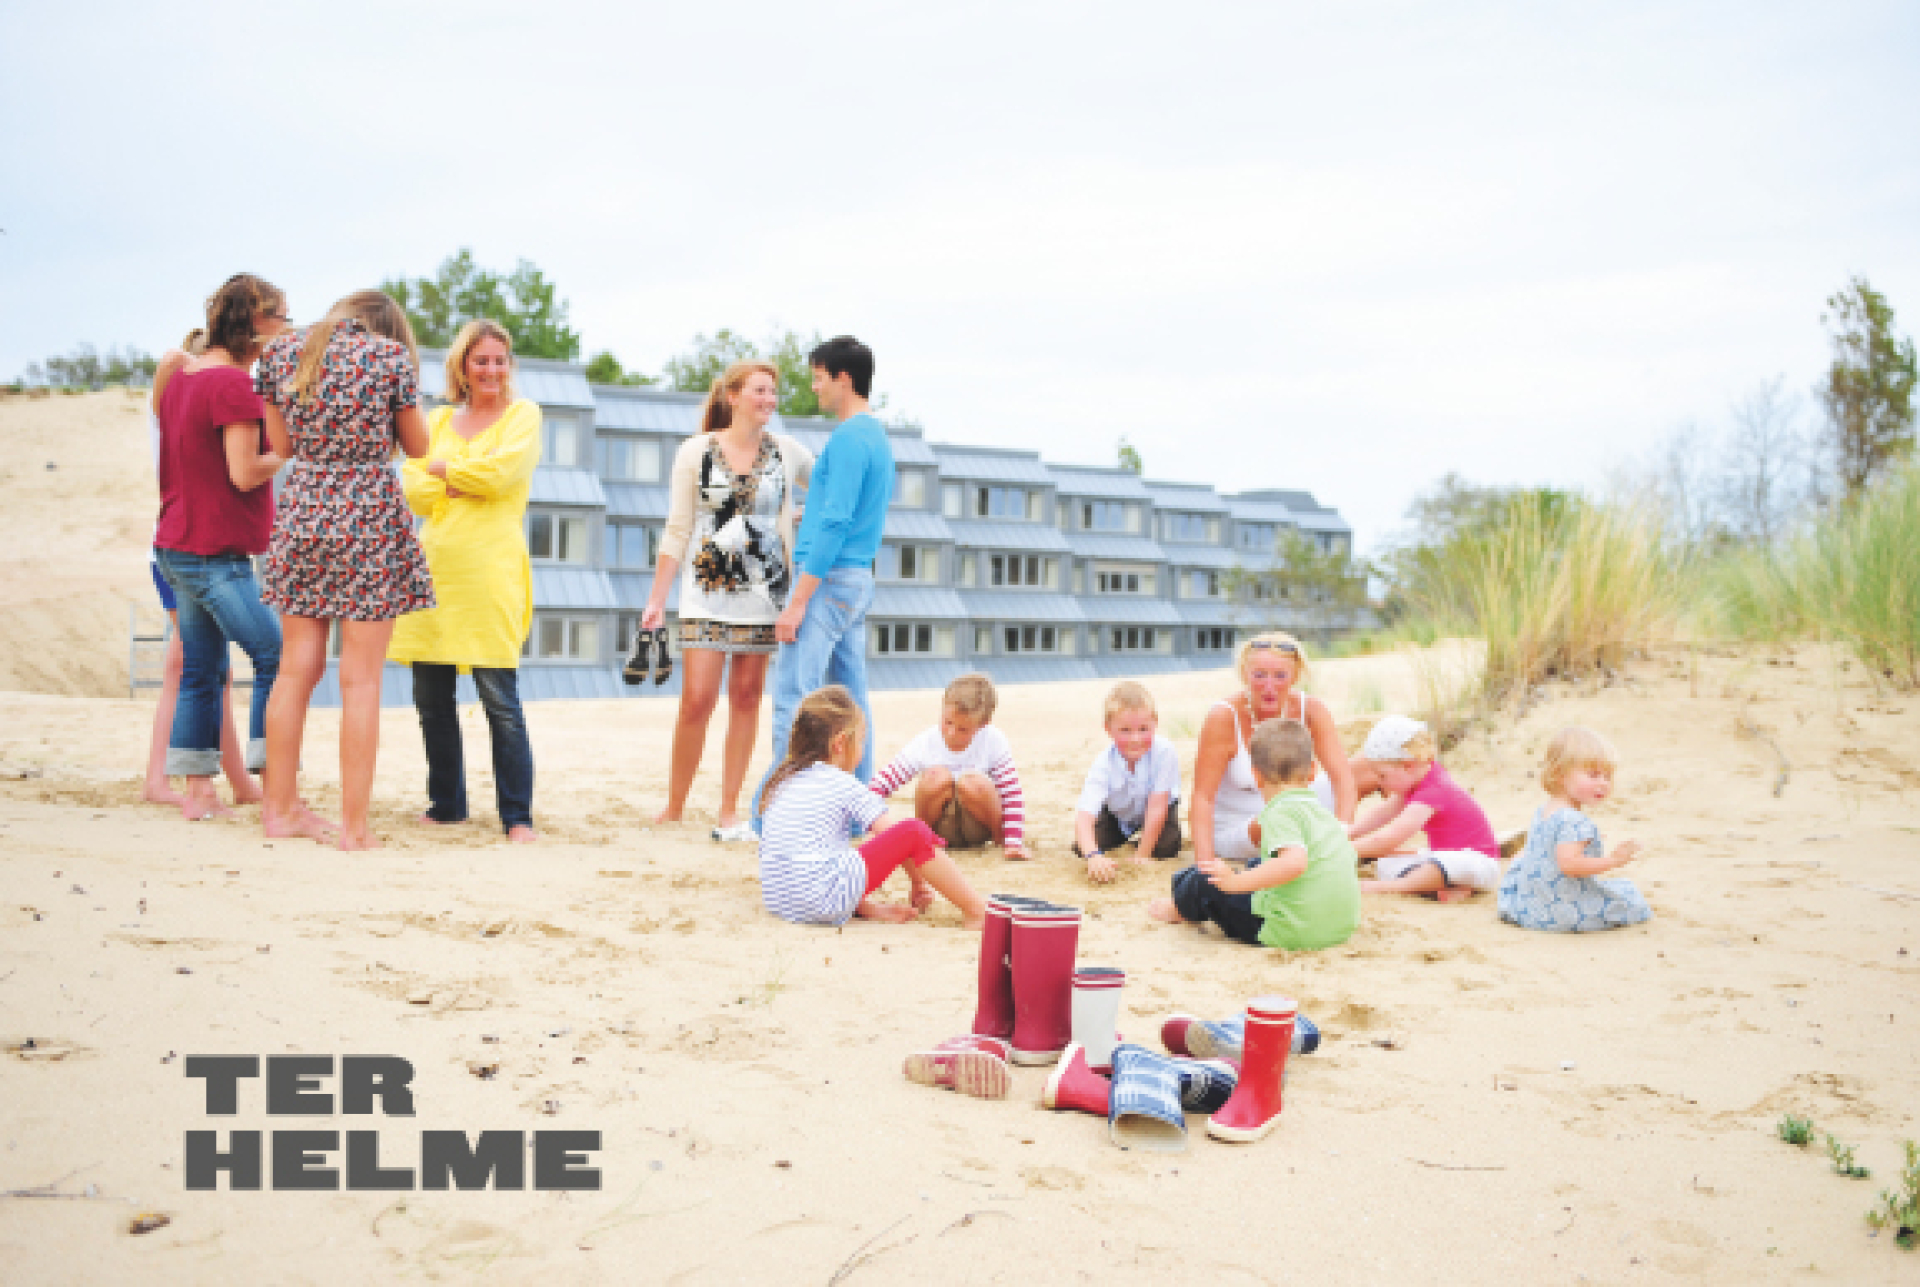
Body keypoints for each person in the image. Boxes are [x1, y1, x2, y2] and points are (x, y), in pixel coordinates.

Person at [257, 290, 434, 851]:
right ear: (390, 329)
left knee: (294, 670)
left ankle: (279, 810)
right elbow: (418, 447)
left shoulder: (282, 354)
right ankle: (354, 828)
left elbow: (281, 444)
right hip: (368, 514)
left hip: (304, 508)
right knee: (360, 680)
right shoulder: (389, 357)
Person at [641, 361, 813, 841]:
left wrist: (793, 516)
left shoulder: (787, 451)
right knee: (697, 699)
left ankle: (729, 809)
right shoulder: (695, 451)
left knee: (746, 698)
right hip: (705, 594)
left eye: (773, 391)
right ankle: (675, 805)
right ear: (733, 396)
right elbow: (678, 527)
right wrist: (656, 599)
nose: (769, 399)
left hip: (764, 595)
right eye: (760, 390)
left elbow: (830, 490)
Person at [387, 320, 541, 842]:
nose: (491, 370)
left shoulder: (524, 415)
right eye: (481, 360)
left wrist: (444, 469)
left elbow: (502, 476)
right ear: (462, 367)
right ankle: (447, 804)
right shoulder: (436, 420)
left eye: (499, 360)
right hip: (436, 568)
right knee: (431, 700)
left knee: (500, 700)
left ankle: (517, 816)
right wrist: (459, 475)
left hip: (491, 570)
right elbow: (413, 489)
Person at [151, 274, 292, 823]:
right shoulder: (234, 385)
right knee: (275, 656)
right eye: (281, 317)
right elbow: (244, 472)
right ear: (256, 320)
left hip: (177, 542)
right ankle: (275, 781)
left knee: (202, 669)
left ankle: (199, 792)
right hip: (215, 551)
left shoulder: (182, 377)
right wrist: (290, 449)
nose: (286, 328)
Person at [752, 337, 892, 825]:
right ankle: (854, 817)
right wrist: (806, 516)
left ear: (843, 379)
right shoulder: (876, 438)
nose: (814, 387)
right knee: (851, 704)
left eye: (818, 378)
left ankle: (776, 816)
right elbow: (846, 513)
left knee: (796, 700)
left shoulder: (849, 439)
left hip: (826, 581)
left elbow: (835, 522)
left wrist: (797, 603)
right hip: (855, 578)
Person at [143, 327, 258, 811]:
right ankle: (168, 778)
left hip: (181, 545)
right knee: (194, 668)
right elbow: (171, 359)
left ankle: (232, 780)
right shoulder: (176, 400)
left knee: (206, 668)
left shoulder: (181, 406)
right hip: (185, 547)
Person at [758, 686, 988, 928]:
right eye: (860, 741)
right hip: (822, 901)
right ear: (840, 744)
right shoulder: (843, 783)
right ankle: (976, 910)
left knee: (836, 855)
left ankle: (866, 909)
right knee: (914, 831)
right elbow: (896, 834)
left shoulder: (782, 782)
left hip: (780, 901)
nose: (862, 749)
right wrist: (918, 882)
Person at [1148, 719, 1361, 951]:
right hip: (1338, 928)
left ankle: (1180, 908)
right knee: (1258, 863)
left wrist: (1235, 882)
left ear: (1256, 776)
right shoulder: (1324, 814)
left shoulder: (1280, 811)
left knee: (1203, 880)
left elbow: (1294, 863)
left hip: (1290, 929)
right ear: (1312, 771)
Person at [1189, 633, 1356, 878]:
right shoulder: (1223, 716)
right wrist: (1204, 865)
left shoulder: (1312, 710)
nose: (1269, 686)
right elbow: (1202, 797)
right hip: (1242, 828)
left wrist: (1341, 834)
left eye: (1280, 676)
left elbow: (1343, 779)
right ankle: (1316, 842)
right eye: (1259, 675)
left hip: (1297, 810)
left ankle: (1333, 842)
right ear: (1245, 674)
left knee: (1366, 768)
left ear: (1295, 676)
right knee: (1284, 814)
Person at [1498, 727, 1652, 931]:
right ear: (1559, 774)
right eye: (1593, 775)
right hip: (1561, 911)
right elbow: (1570, 865)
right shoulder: (1574, 821)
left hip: (1531, 905)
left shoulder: (1544, 810)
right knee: (1629, 896)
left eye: (1607, 776)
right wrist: (1614, 860)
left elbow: (1547, 845)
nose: (1603, 783)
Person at [868, 673, 1029, 859]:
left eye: (963, 729)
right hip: (939, 825)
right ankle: (923, 839)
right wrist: (874, 824)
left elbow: (1012, 793)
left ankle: (1002, 840)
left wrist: (1014, 841)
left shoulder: (994, 740)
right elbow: (881, 783)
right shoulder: (927, 741)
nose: (951, 733)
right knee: (935, 776)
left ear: (983, 725)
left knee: (972, 782)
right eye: (947, 722)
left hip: (978, 825)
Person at [1352, 715, 1502, 901]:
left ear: (1408, 766)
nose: (1379, 782)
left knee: (1440, 865)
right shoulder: (1416, 781)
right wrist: (1348, 834)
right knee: (1386, 863)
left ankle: (1392, 887)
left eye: (1382, 776)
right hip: (1444, 858)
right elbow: (1382, 813)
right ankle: (1445, 888)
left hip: (1477, 862)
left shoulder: (1433, 790)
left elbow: (1387, 840)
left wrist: (1341, 848)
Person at [1074, 681, 1182, 883]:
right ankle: (1123, 837)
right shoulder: (1103, 763)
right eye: (1125, 730)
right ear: (1108, 729)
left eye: (1143, 729)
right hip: (1117, 813)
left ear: (1155, 724)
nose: (1135, 739)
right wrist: (1093, 855)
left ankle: (1142, 841)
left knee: (1167, 847)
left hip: (1159, 809)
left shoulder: (1165, 752)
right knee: (1083, 846)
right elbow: (1085, 815)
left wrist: (1142, 854)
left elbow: (1157, 807)